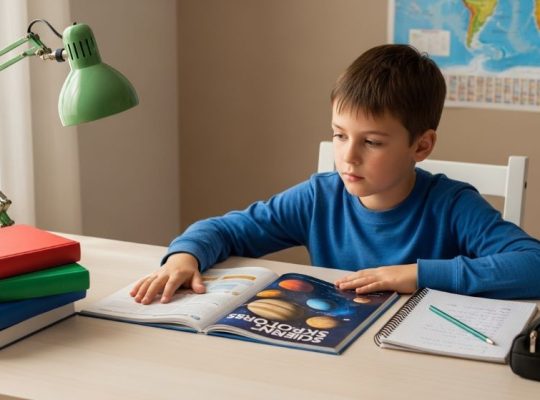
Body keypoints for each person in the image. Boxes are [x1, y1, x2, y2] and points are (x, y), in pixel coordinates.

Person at [131, 44, 540, 305]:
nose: (348, 157)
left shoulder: (451, 205)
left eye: (373, 142)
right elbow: (227, 229)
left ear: (421, 146)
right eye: (339, 135)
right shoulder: (319, 198)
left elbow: (532, 265)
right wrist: (184, 256)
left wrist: (416, 274)